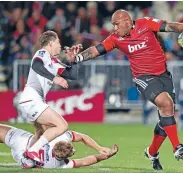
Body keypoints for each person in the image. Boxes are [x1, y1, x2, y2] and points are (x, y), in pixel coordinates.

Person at [68, 9, 183, 170]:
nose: (114, 28)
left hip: (164, 75)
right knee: (166, 103)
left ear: (127, 21)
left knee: (165, 119)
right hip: (143, 78)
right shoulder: (115, 38)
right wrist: (78, 57)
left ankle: (151, 153)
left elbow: (170, 26)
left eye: (116, 24)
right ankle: (177, 147)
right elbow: (96, 50)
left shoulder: (146, 24)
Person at [19, 30, 82, 164]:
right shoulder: (42, 53)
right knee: (62, 125)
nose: (60, 45)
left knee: (42, 132)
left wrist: (73, 59)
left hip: (32, 101)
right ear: (51, 43)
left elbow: (72, 75)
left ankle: (27, 161)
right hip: (32, 99)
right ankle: (33, 151)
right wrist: (55, 79)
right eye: (58, 42)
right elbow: (36, 65)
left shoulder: (54, 62)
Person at [0, 124, 118, 168]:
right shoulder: (60, 164)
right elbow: (86, 161)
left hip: (24, 143)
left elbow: (81, 137)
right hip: (21, 159)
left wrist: (100, 148)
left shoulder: (60, 137)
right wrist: (103, 155)